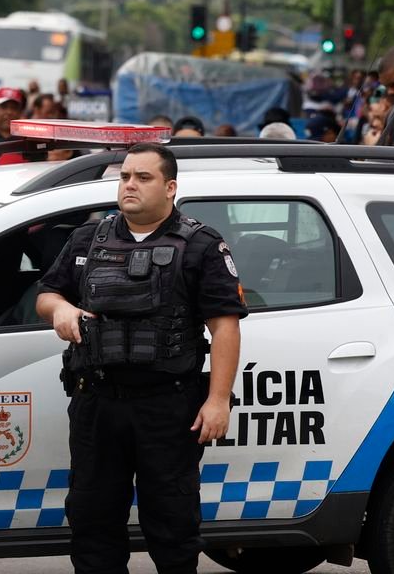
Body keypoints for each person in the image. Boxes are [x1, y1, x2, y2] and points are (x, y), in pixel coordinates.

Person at [36, 143, 245, 574]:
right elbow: (47, 294)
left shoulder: (201, 245)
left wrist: (218, 400)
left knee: (172, 522)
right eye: (126, 176)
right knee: (92, 518)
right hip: (97, 401)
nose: (130, 185)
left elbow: (224, 326)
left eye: (143, 177)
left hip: (167, 406)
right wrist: (60, 309)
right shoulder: (87, 238)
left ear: (170, 187)